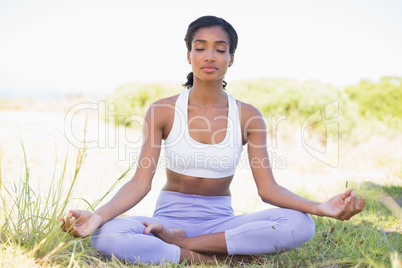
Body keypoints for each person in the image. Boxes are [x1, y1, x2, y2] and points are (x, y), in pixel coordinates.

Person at [60, 15, 365, 264]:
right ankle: (211, 259)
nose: (210, 56)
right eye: (200, 47)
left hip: (221, 224)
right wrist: (97, 217)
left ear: (231, 58)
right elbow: (140, 183)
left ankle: (186, 246)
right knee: (107, 235)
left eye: (220, 49)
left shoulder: (248, 116)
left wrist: (320, 207)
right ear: (189, 55)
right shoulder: (163, 111)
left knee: (301, 224)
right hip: (167, 219)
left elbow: (268, 189)